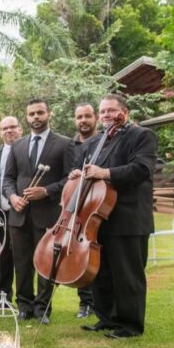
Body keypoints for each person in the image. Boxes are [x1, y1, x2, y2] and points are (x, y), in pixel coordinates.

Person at [73, 94, 156, 339]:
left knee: (127, 275)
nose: (106, 115)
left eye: (111, 110)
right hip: (98, 217)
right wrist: (77, 175)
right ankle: (107, 318)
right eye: (102, 111)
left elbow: (141, 169)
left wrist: (105, 172)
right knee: (102, 273)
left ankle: (130, 325)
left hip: (128, 218)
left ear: (124, 112)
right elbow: (88, 172)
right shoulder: (95, 142)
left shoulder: (142, 136)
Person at [3, 99, 72, 324]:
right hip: (19, 216)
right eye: (31, 113)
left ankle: (43, 308)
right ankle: (24, 306)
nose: (36, 117)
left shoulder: (64, 143)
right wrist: (12, 197)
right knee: (22, 264)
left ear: (48, 114)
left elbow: (70, 179)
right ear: (27, 117)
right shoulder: (17, 145)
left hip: (48, 215)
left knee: (46, 263)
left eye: (40, 112)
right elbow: (8, 179)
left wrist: (47, 191)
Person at [70, 103, 97, 318]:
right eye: (79, 117)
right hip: (76, 208)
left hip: (99, 204)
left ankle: (104, 304)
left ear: (95, 118)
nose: (83, 120)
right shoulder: (70, 146)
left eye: (87, 116)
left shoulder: (105, 142)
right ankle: (85, 302)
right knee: (82, 256)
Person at [0, 116, 22, 302]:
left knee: (23, 258)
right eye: (4, 128)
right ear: (0, 132)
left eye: (12, 127)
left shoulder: (28, 151)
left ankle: (26, 301)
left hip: (23, 211)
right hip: (0, 214)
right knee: (2, 258)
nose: (9, 131)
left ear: (20, 129)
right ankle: (2, 300)